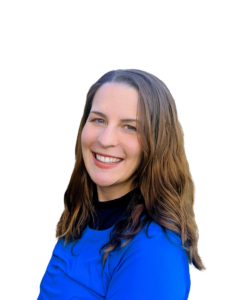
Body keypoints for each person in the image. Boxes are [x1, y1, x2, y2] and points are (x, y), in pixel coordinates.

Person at [37, 69, 209, 299]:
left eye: (130, 127)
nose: (105, 139)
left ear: (157, 143)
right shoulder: (78, 217)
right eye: (99, 120)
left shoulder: (154, 248)